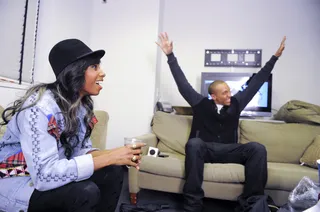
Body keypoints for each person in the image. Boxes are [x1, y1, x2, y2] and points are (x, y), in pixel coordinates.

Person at [0, 39, 145, 212]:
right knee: (85, 192)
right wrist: (109, 157)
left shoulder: (79, 105)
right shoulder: (39, 110)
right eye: (95, 67)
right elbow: (44, 176)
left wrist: (118, 155)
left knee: (113, 171)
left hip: (51, 172)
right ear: (75, 72)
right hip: (18, 181)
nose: (103, 73)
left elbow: (79, 150)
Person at [156, 32, 286, 212]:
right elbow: (182, 83)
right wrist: (170, 56)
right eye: (224, 92)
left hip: (228, 150)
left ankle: (252, 203)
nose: (229, 94)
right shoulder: (200, 104)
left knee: (257, 148)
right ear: (213, 96)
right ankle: (192, 205)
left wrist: (274, 58)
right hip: (206, 149)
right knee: (193, 144)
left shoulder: (237, 104)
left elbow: (257, 82)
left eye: (229, 91)